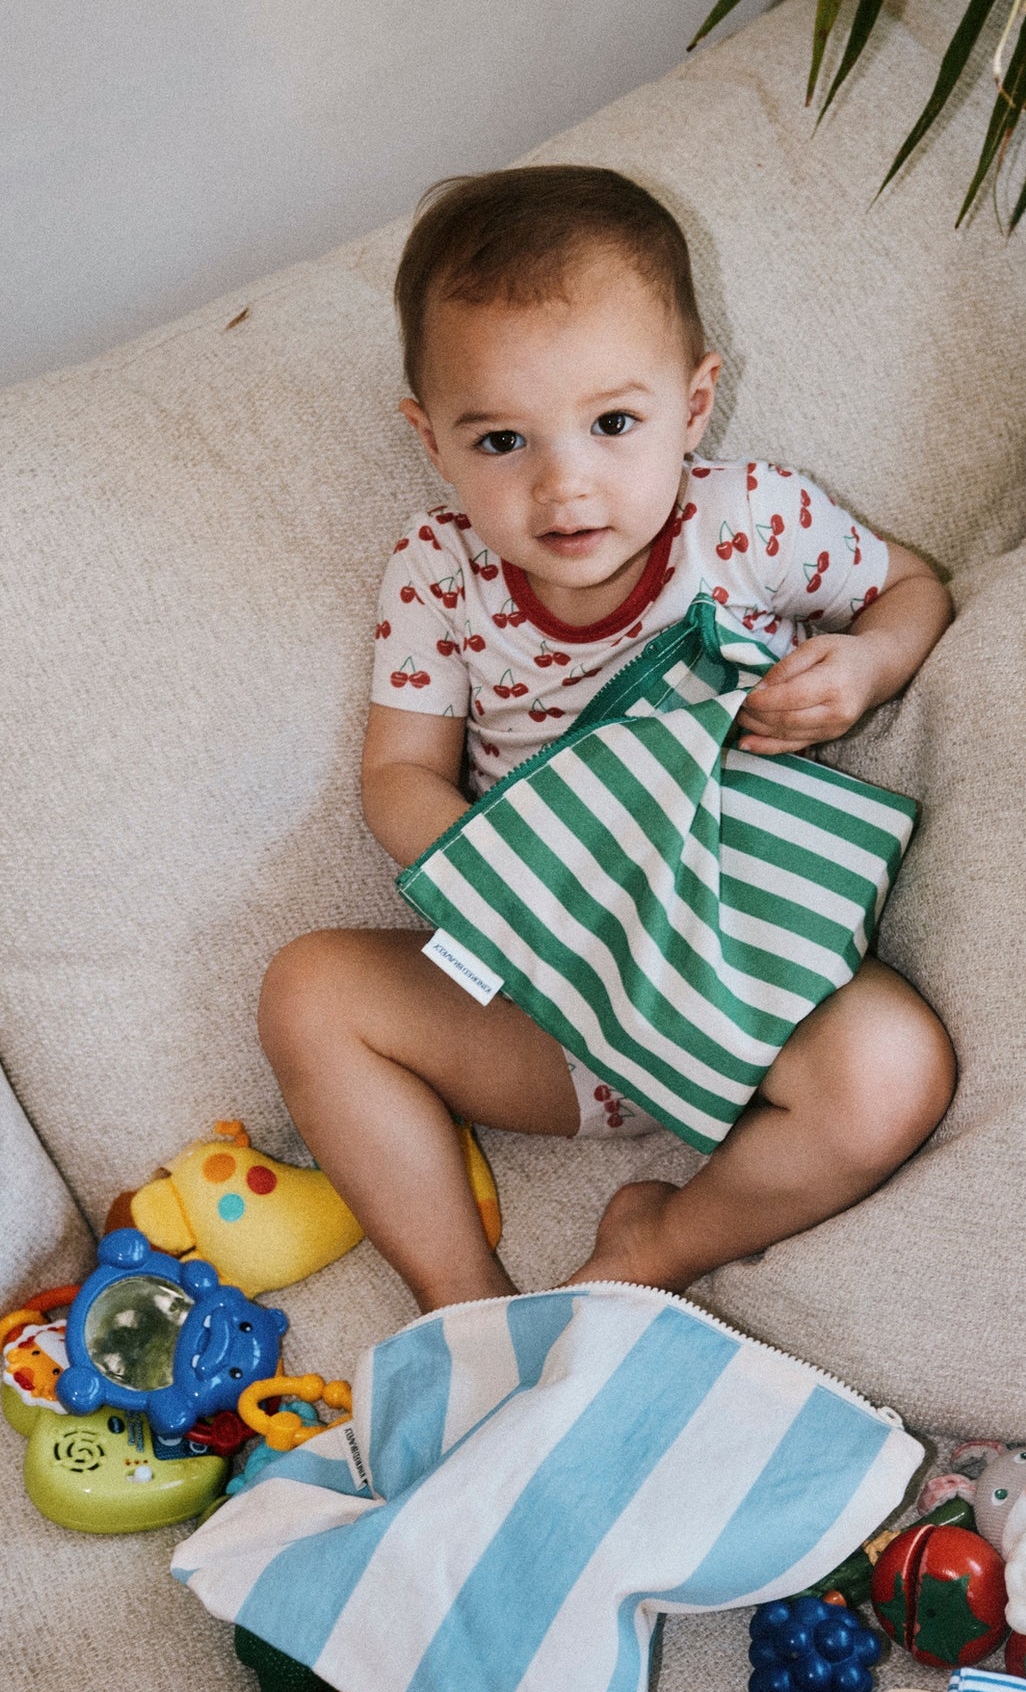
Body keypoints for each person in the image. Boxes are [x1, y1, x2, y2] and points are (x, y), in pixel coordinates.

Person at [259, 165, 956, 1313]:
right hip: (547, 995)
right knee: (307, 992)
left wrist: (871, 662)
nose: (563, 485)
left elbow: (910, 587)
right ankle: (462, 1297)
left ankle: (660, 1241)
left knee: (892, 1071)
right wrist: (518, 892)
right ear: (429, 441)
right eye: (500, 442)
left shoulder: (751, 520)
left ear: (695, 402)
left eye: (612, 423)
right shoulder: (440, 571)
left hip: (738, 975)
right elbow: (397, 775)